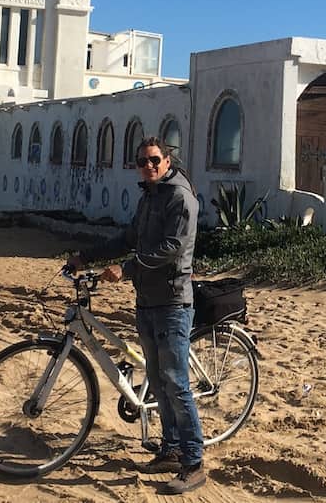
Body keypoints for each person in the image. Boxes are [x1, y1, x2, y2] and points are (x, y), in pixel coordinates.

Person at [67, 137, 206, 495]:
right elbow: (129, 237)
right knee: (158, 381)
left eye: (154, 160)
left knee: (176, 383)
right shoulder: (150, 196)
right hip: (147, 300)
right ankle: (171, 449)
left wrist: (126, 270)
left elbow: (173, 248)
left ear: (166, 160)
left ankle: (193, 462)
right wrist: (86, 256)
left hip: (174, 301)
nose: (148, 166)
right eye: (142, 161)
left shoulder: (179, 196)